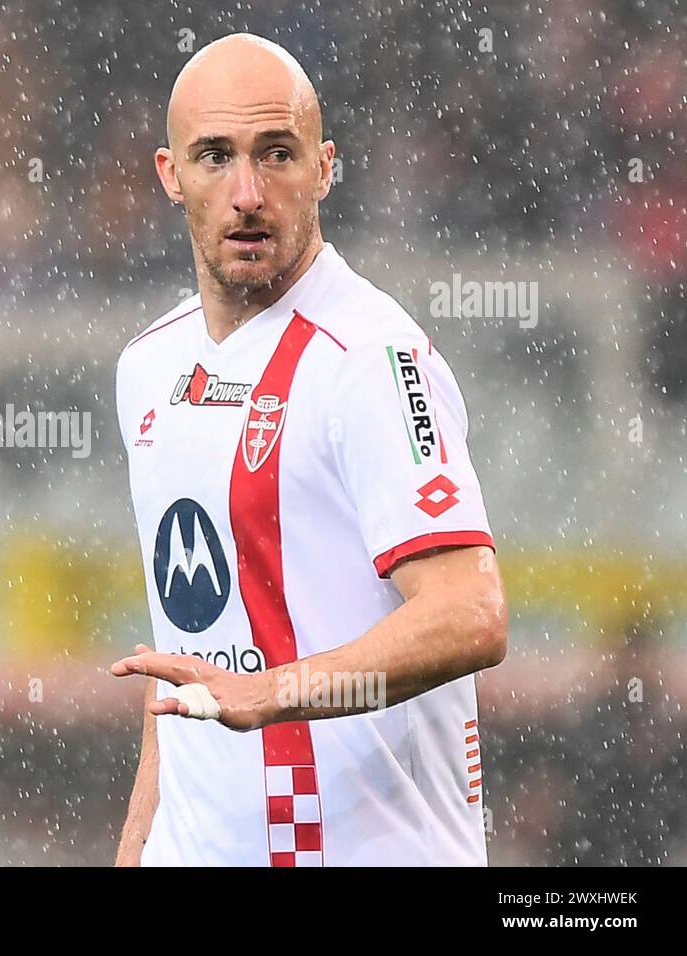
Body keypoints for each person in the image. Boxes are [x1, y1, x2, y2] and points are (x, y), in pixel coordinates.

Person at [110, 33, 508, 866]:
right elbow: (185, 660)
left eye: (277, 154)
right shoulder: (149, 367)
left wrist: (274, 693)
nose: (247, 193)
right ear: (169, 175)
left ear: (324, 168)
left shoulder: (370, 359)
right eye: (215, 157)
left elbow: (470, 614)